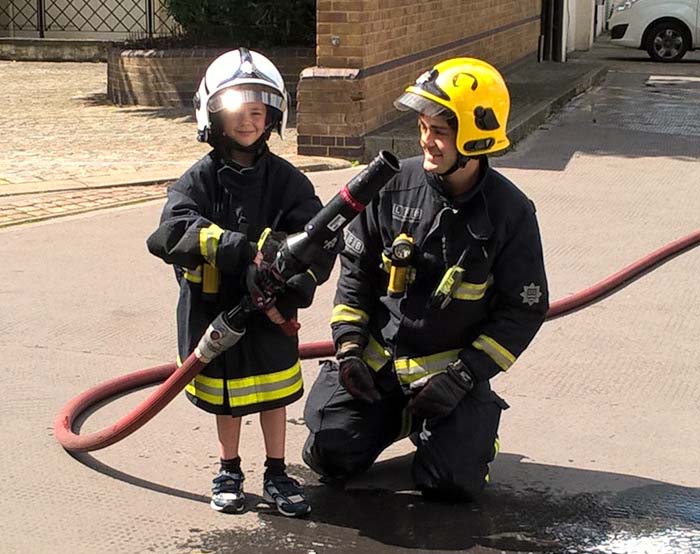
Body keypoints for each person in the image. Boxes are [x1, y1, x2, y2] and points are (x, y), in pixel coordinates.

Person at [302, 57, 549, 501]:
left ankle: (469, 437)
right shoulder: (392, 188)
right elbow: (355, 276)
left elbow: (523, 310)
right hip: (378, 367)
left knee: (453, 483)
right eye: (422, 127)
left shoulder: (511, 214)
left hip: (450, 378)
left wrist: (462, 377)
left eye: (439, 131)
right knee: (327, 454)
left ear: (475, 136)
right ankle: (401, 418)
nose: (426, 142)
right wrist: (350, 347)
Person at [147, 48, 335, 517]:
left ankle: (277, 470)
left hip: (271, 316)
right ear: (213, 114)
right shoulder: (199, 180)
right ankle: (228, 467)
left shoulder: (288, 180)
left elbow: (319, 238)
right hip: (217, 315)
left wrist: (293, 279)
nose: (248, 122)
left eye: (257, 112)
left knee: (274, 396)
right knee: (228, 400)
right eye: (237, 112)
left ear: (272, 116)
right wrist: (235, 248)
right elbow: (170, 231)